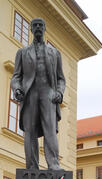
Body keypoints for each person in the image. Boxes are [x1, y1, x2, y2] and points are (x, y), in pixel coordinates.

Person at [11, 18, 66, 171]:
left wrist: (59, 93)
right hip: (30, 94)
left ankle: (54, 164)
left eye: (41, 25)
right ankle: (32, 167)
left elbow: (61, 78)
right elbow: (16, 76)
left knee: (50, 130)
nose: (38, 28)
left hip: (48, 93)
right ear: (31, 29)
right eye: (35, 25)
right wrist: (17, 89)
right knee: (30, 132)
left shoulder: (54, 53)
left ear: (45, 28)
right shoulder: (22, 52)